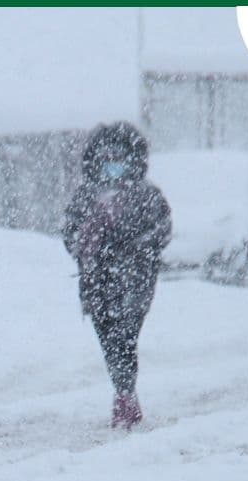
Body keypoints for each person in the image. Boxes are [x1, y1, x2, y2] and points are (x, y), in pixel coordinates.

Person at [61, 122, 172, 431]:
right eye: (106, 158)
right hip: (97, 284)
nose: (112, 165)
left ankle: (124, 397)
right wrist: (88, 244)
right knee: (109, 339)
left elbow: (162, 230)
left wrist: (136, 248)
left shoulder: (147, 195)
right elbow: (69, 232)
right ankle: (125, 392)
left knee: (125, 336)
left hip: (135, 279)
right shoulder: (85, 196)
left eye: (118, 158)